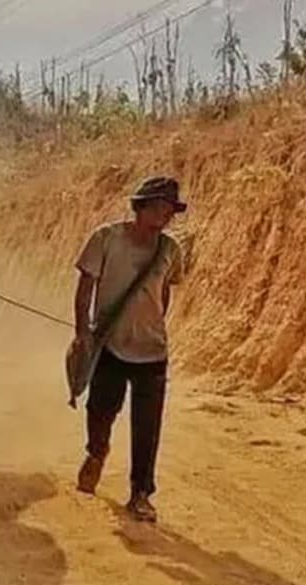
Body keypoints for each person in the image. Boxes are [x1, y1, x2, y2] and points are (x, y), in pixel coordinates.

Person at [69, 177, 187, 522]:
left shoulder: (170, 251)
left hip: (153, 350)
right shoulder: (106, 238)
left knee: (148, 425)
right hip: (110, 344)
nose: (164, 215)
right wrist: (82, 333)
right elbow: (85, 284)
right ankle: (96, 451)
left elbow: (164, 294)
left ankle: (140, 493)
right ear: (141, 207)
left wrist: (151, 327)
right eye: (158, 207)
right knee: (101, 410)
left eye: (169, 210)